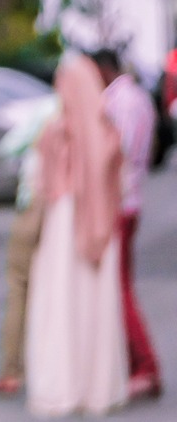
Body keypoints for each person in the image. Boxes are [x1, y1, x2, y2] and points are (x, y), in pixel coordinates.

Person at [24, 52, 128, 417]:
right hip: (99, 225)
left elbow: (41, 180)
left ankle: (65, 384)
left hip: (65, 221)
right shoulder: (108, 132)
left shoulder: (58, 131)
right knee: (93, 303)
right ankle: (96, 385)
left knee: (62, 299)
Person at [91, 49, 163, 401]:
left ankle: (145, 366)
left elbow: (120, 153)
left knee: (119, 288)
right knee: (121, 285)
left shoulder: (120, 102)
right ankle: (137, 363)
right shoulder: (138, 98)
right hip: (131, 198)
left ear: (104, 70)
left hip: (120, 201)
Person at [0, 93, 57, 398]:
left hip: (35, 203)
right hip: (66, 211)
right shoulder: (93, 108)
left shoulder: (48, 109)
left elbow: (9, 145)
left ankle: (13, 370)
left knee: (20, 286)